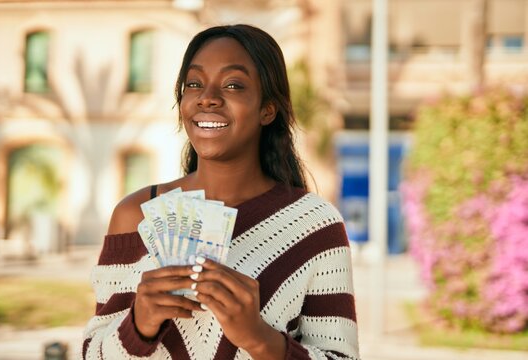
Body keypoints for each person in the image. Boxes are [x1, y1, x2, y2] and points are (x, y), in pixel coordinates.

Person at [82, 24, 359, 359]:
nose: (207, 97)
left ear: (267, 109)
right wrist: (139, 325)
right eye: (194, 83)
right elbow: (92, 352)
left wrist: (258, 338)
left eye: (233, 85)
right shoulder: (134, 214)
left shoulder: (315, 226)